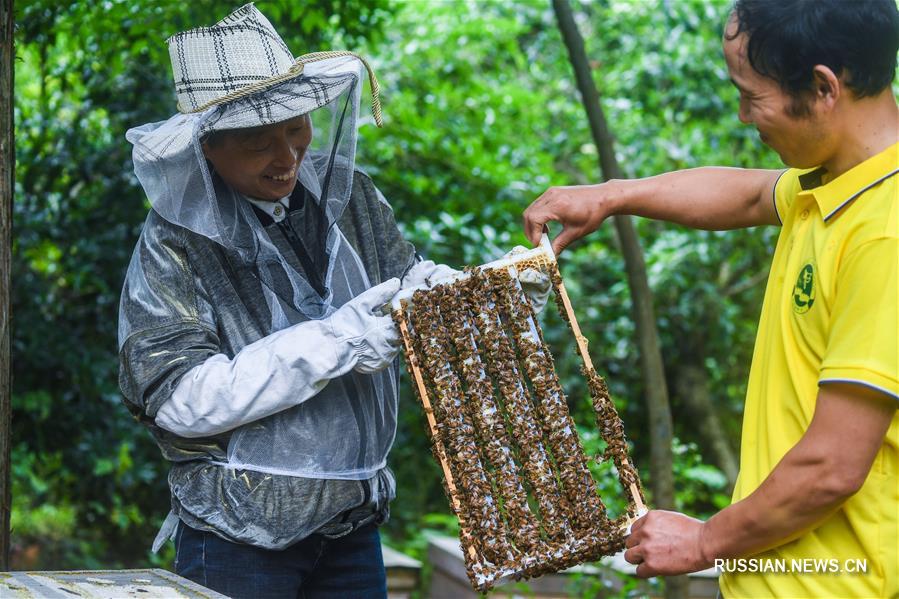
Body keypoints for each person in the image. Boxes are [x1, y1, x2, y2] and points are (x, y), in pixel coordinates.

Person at [119, 6, 549, 598]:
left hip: (351, 521)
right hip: (239, 533)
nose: (287, 156)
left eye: (296, 128)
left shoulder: (349, 196)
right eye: (257, 142)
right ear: (207, 148)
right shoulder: (173, 241)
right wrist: (336, 342)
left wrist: (483, 291)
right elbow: (179, 402)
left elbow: (406, 282)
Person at [523, 0, 897, 597]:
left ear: (825, 86)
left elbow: (832, 467)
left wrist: (703, 541)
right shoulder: (830, 184)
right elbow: (748, 196)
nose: (746, 117)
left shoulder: (886, 233)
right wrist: (611, 195)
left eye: (752, 95)